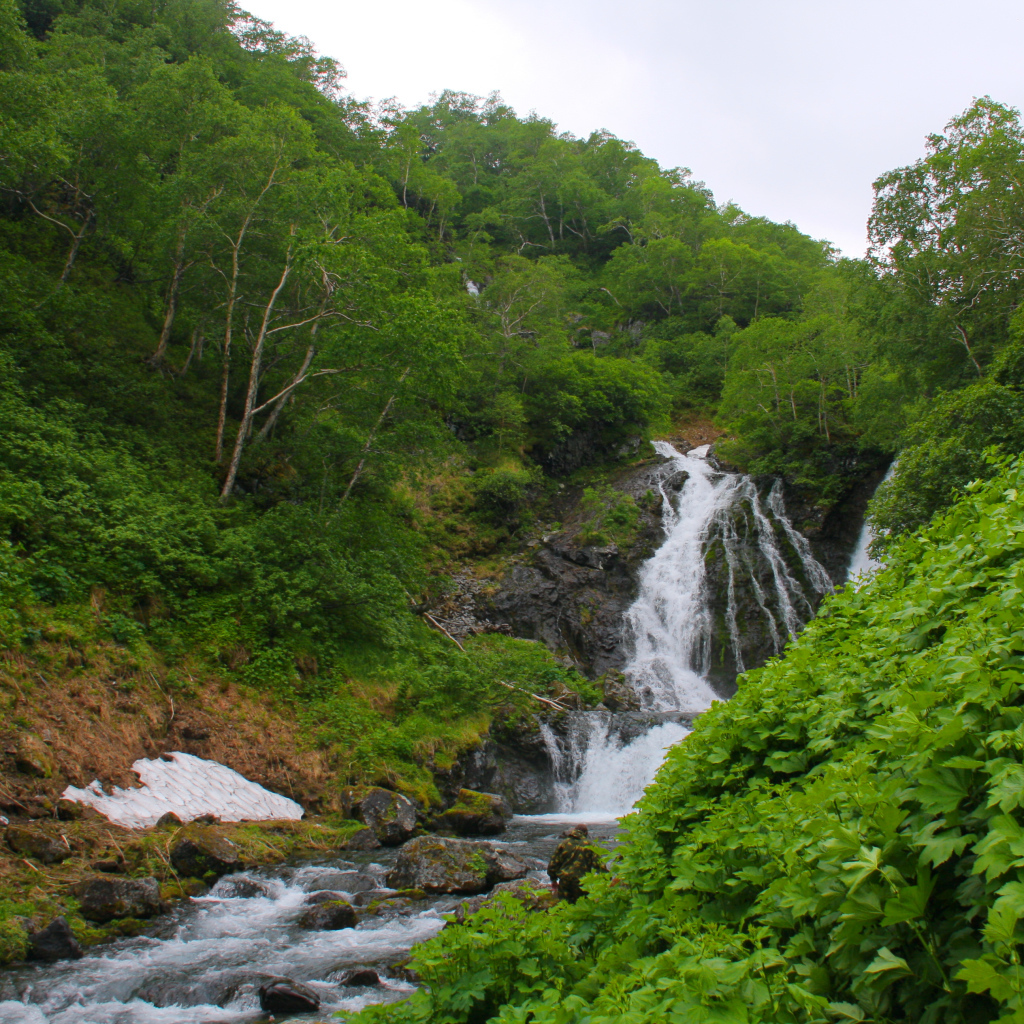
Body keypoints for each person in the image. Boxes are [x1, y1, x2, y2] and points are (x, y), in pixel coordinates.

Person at [546, 824, 606, 903]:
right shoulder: (590, 845)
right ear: (585, 833)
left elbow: (553, 864)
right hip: (582, 882)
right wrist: (606, 880)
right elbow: (599, 865)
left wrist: (553, 880)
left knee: (564, 907)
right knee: (582, 907)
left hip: (565, 881)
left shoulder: (563, 843)